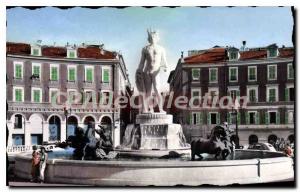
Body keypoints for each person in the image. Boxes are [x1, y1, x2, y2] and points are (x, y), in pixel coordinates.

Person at [136, 29, 168, 113]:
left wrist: (166, 67)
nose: (153, 38)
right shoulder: (145, 49)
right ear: (149, 38)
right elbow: (142, 62)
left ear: (157, 38)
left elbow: (164, 61)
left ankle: (161, 109)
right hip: (147, 71)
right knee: (148, 92)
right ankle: (150, 109)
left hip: (156, 71)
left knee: (157, 90)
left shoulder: (161, 49)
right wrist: (139, 70)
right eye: (151, 36)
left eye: (154, 36)